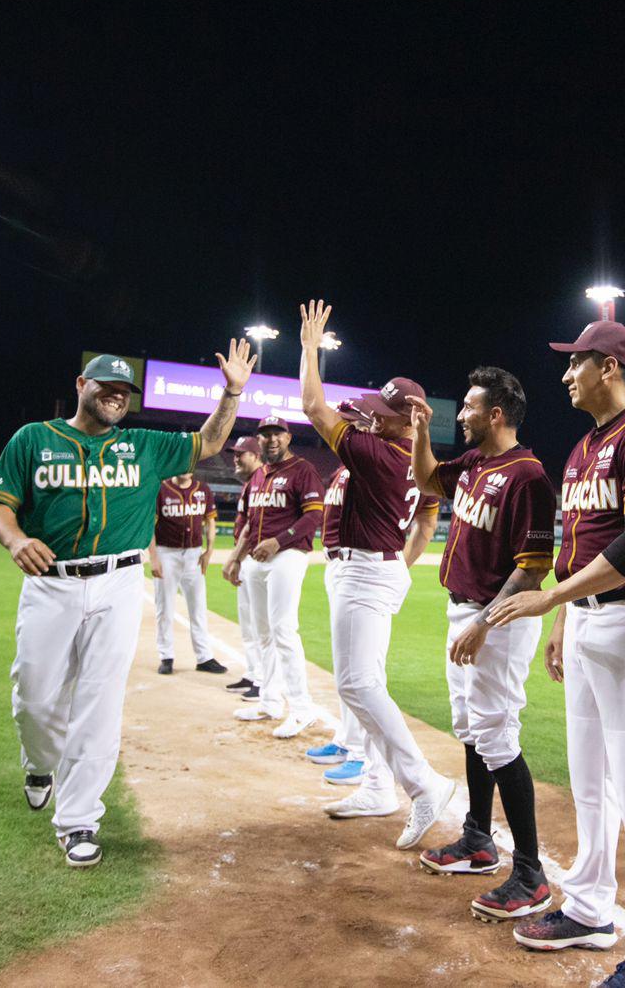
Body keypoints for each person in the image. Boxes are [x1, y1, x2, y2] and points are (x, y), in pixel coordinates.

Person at [0, 346, 254, 868]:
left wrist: (233, 392)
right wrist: (16, 541)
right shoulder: (34, 439)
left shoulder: (144, 445)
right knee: (34, 698)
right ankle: (40, 763)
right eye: (106, 386)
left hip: (119, 583)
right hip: (51, 582)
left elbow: (211, 440)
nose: (115, 397)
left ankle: (78, 818)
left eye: (124, 392)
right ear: (81, 383)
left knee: (100, 702)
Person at [489, 320, 625, 988]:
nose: (566, 373)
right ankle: (592, 906)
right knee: (590, 783)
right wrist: (565, 620)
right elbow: (579, 542)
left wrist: (549, 602)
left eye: (575, 363)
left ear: (608, 366)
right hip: (589, 624)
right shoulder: (582, 448)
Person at [298, 300, 453, 849]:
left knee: (357, 683)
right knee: (367, 680)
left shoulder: (381, 454)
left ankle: (423, 783)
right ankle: (377, 785)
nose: (370, 416)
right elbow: (430, 509)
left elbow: (313, 405)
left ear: (405, 419)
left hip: (365, 571)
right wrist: (403, 562)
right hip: (375, 568)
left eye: (381, 412)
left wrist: (309, 348)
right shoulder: (410, 456)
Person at [409, 367, 558, 924]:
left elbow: (534, 566)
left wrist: (485, 623)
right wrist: (421, 432)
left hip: (499, 620)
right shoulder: (475, 463)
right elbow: (427, 481)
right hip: (467, 611)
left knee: (497, 734)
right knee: (471, 728)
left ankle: (530, 873)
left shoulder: (528, 477)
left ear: (496, 414)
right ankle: (477, 840)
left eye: (470, 408)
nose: (463, 415)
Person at [302, 402, 384, 787]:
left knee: (364, 672)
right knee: (346, 668)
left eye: (352, 419)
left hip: (364, 568)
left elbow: (421, 516)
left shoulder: (371, 462)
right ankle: (347, 739)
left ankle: (363, 757)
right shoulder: (341, 468)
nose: (345, 424)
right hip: (339, 564)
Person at [232, 414, 323, 737]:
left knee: (283, 630)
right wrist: (236, 558)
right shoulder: (258, 478)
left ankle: (302, 708)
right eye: (266, 435)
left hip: (287, 555)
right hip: (257, 558)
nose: (272, 440)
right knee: (264, 634)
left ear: (288, 438)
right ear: (259, 440)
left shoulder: (302, 470)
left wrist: (279, 540)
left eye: (278, 434)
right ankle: (270, 701)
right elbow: (247, 523)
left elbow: (314, 516)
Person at [149, 471, 224, 675]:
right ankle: (166, 656)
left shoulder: (203, 489)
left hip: (194, 554)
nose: (185, 468)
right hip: (167, 553)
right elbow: (149, 525)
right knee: (165, 607)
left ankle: (204, 657)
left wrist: (209, 550)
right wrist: (154, 557)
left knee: (199, 607)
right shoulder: (161, 489)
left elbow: (210, 521)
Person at [222, 435, 264, 695]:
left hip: (255, 558)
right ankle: (253, 673)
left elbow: (252, 526)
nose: (235, 458)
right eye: (235, 453)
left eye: (242, 454)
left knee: (260, 626)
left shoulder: (261, 480)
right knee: (248, 624)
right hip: (247, 558)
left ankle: (263, 681)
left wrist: (235, 557)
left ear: (256, 455)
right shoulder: (251, 484)